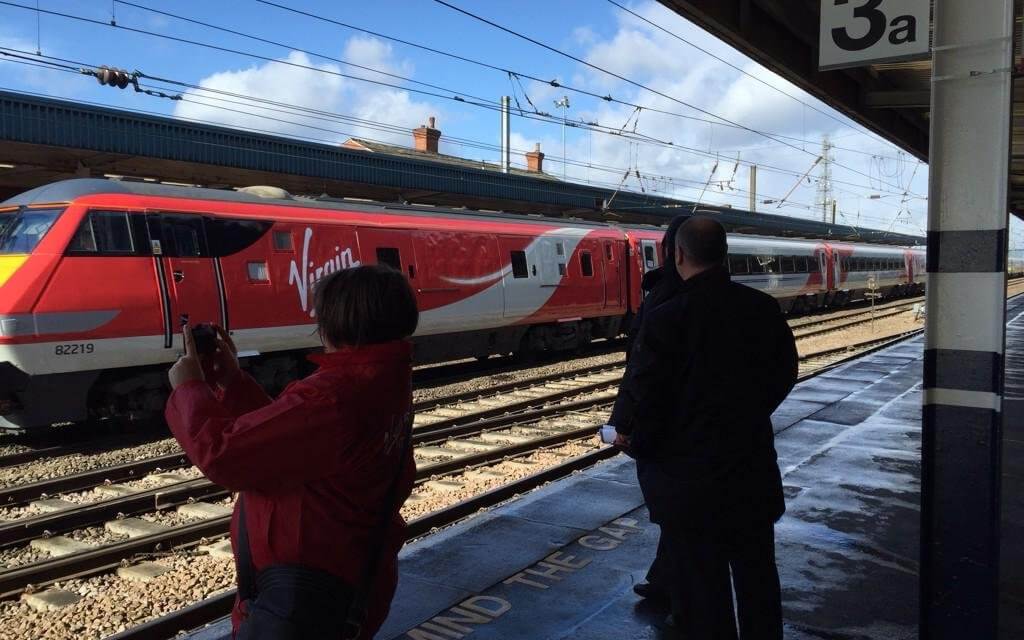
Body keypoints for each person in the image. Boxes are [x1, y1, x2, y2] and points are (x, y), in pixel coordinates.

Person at [165, 264, 419, 640]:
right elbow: (294, 437)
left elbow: (222, 454)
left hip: (305, 598)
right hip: (348, 576)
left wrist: (188, 388)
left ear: (338, 324)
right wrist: (232, 383)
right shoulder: (382, 378)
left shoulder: (333, 395)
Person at [613, 217, 797, 639]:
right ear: (725, 253)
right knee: (758, 581)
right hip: (751, 472)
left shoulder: (666, 318)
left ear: (677, 254)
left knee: (702, 593)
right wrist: (749, 413)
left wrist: (636, 441)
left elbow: (646, 397)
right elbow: (785, 372)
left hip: (689, 486)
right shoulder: (761, 309)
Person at [609, 215, 686, 605]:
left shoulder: (662, 301)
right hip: (732, 446)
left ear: (674, 251)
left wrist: (621, 424)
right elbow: (778, 372)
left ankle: (681, 605)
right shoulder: (751, 305)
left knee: (675, 512)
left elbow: (641, 371)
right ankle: (668, 581)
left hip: (667, 435)